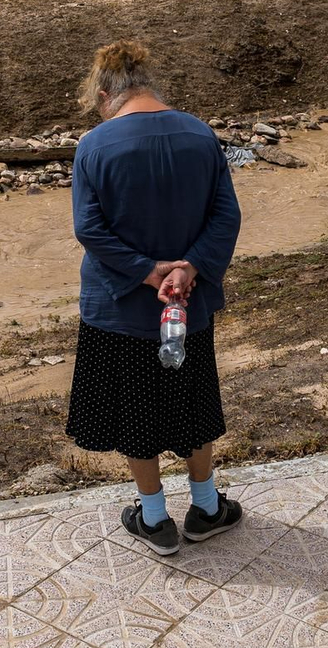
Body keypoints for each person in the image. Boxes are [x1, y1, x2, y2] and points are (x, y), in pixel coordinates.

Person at [65, 40, 245, 555]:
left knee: (134, 414)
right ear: (149, 84)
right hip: (190, 303)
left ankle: (154, 517)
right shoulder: (200, 134)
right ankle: (207, 507)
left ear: (106, 94)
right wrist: (189, 267)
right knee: (193, 403)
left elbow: (90, 230)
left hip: (120, 308)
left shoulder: (94, 146)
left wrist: (148, 273)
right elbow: (226, 217)